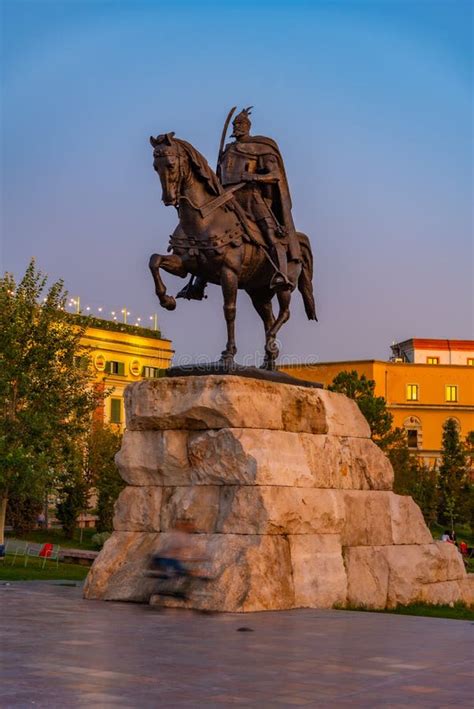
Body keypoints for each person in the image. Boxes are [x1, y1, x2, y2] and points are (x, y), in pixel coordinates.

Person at [178, 106, 301, 299]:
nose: (237, 127)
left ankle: (281, 273)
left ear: (248, 126)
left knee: (270, 235)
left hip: (252, 198)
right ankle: (197, 284)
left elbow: (275, 175)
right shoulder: (227, 150)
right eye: (235, 125)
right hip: (227, 197)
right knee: (205, 231)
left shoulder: (261, 148)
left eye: (241, 124)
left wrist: (252, 177)